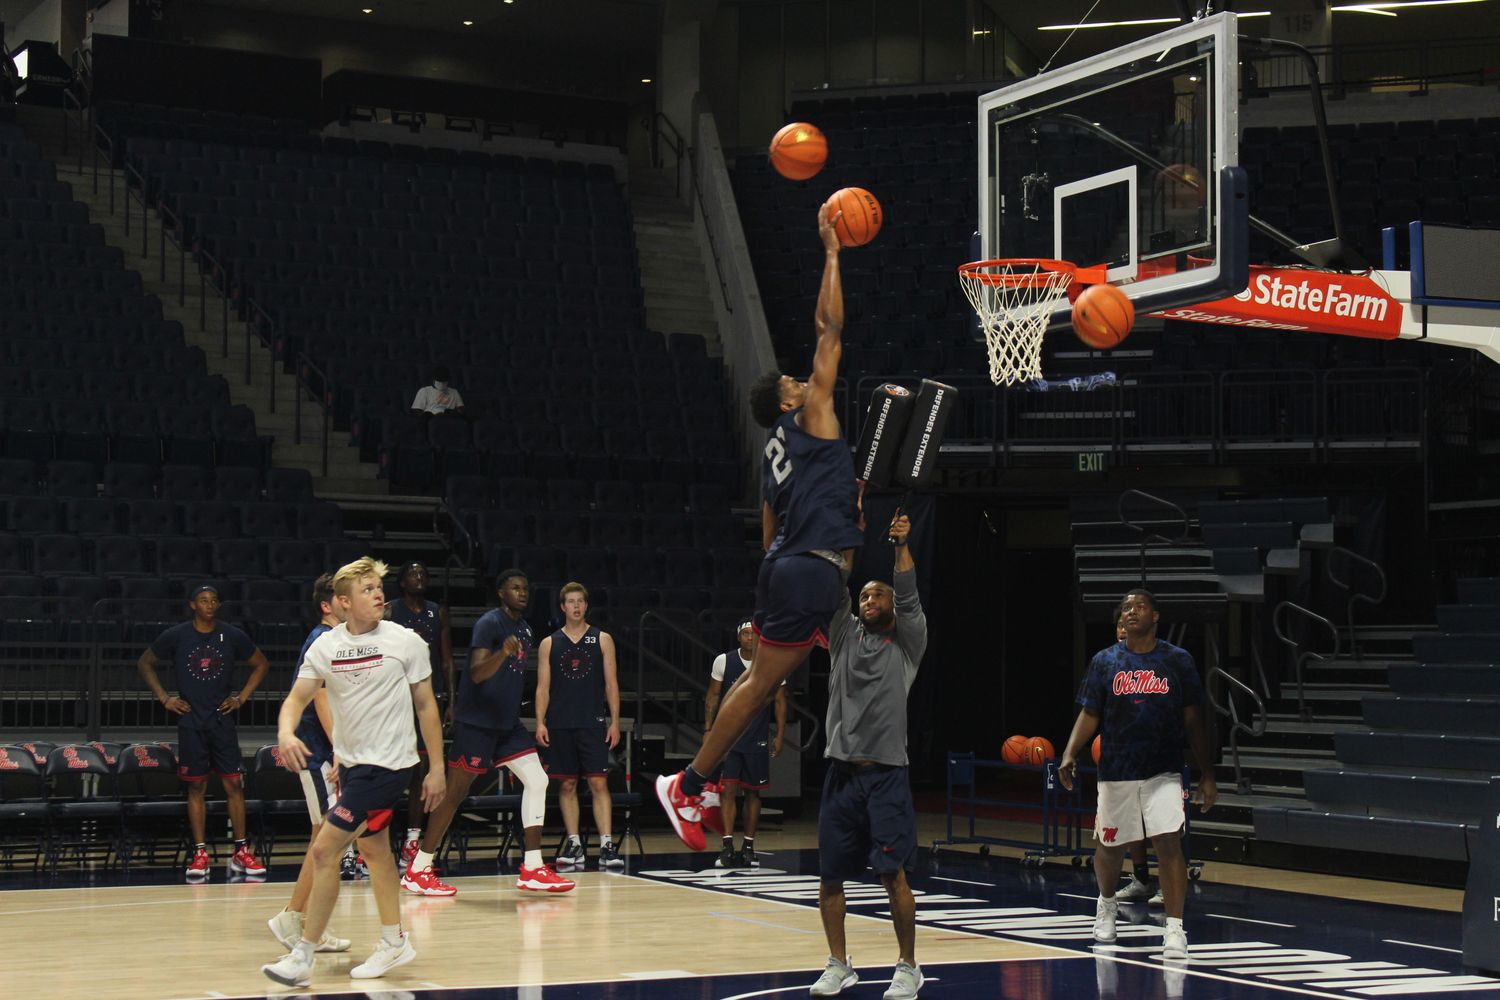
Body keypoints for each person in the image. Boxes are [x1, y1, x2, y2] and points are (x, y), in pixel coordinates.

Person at [658, 201, 863, 851]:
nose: (806, 380)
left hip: (795, 567)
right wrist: (832, 253)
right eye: (795, 381)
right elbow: (830, 329)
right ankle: (689, 784)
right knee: (758, 683)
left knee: (766, 679)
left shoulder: (778, 447)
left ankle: (697, 784)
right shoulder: (810, 415)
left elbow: (770, 520)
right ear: (785, 399)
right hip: (807, 568)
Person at [261, 557, 446, 988]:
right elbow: (296, 699)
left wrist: (437, 767)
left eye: (378, 587)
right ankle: (394, 940)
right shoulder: (325, 647)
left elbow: (426, 706)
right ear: (343, 602)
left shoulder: (406, 641)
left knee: (324, 851)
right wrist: (285, 733)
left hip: (389, 766)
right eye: (367, 589)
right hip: (353, 767)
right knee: (376, 852)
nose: (378, 594)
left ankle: (303, 954)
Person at [1057, 588, 1219, 962]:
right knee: (1110, 847)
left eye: (1140, 606)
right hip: (1117, 768)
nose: (1132, 611)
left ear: (1155, 616)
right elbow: (1090, 713)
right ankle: (1106, 903)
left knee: (1168, 842)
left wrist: (1207, 773)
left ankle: (1175, 928)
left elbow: (1193, 719)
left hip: (1163, 768)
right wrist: (1069, 752)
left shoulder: (1177, 660)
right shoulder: (1104, 661)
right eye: (1127, 607)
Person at [401, 569, 575, 896]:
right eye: (515, 588)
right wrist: (502, 653)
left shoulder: (525, 629)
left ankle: (533, 867)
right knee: (454, 794)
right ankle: (419, 868)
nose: (522, 593)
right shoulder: (490, 623)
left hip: (507, 724)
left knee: (537, 780)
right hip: (477, 723)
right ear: (500, 592)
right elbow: (477, 673)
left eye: (525, 588)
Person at [809, 513, 926, 1000]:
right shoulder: (843, 635)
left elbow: (909, 595)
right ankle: (839, 963)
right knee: (829, 877)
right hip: (841, 776)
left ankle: (908, 966)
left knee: (892, 876)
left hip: (887, 777)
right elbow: (836, 583)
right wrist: (846, 529)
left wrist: (900, 545)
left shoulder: (908, 641)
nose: (869, 601)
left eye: (877, 595)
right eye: (864, 597)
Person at [137, 584, 270, 881]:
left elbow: (261, 664)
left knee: (234, 784)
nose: (209, 605)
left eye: (214, 601)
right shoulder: (178, 634)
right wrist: (165, 698)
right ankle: (200, 854)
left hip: (222, 721)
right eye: (203, 600)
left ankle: (241, 851)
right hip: (191, 722)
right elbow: (145, 662)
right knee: (196, 787)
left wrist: (241, 698)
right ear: (193, 605)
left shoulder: (231, 634)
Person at [268, 573, 352, 955]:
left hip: (324, 749)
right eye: (342, 597)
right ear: (327, 604)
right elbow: (319, 697)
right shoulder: (324, 639)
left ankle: (305, 922)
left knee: (326, 838)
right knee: (325, 839)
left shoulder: (333, 638)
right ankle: (294, 916)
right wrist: (339, 749)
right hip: (318, 751)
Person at [536, 582, 623, 871]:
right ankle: (574, 844)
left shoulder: (602, 639)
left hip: (592, 722)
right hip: (560, 723)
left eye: (580, 601)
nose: (576, 606)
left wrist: (614, 722)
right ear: (563, 607)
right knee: (567, 784)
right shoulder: (549, 643)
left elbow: (611, 684)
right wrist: (540, 722)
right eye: (570, 601)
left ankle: (607, 845)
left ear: (586, 605)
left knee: (598, 782)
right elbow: (542, 687)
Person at [386, 561, 455, 871]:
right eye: (413, 573)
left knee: (420, 773)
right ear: (402, 582)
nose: (419, 577)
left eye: (424, 574)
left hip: (426, 698)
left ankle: (412, 841)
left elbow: (447, 660)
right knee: (391, 772)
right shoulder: (389, 611)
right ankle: (373, 840)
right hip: (394, 699)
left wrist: (451, 701)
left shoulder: (437, 612)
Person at [704, 620, 786, 869]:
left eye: (754, 634)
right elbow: (712, 696)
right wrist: (708, 730)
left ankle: (748, 846)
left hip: (757, 737)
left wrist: (780, 734)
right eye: (746, 634)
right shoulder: (723, 661)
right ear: (739, 637)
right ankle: (727, 845)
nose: (750, 638)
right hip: (729, 738)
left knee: (753, 792)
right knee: (728, 791)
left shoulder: (773, 662)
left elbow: (780, 701)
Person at [1103, 607, 1160, 908]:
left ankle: (1169, 884)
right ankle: (1141, 879)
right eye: (1119, 625)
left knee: (1164, 827)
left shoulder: (1162, 661)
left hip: (1158, 756)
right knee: (1131, 823)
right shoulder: (1107, 663)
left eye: (1128, 624)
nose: (1123, 630)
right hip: (1123, 758)